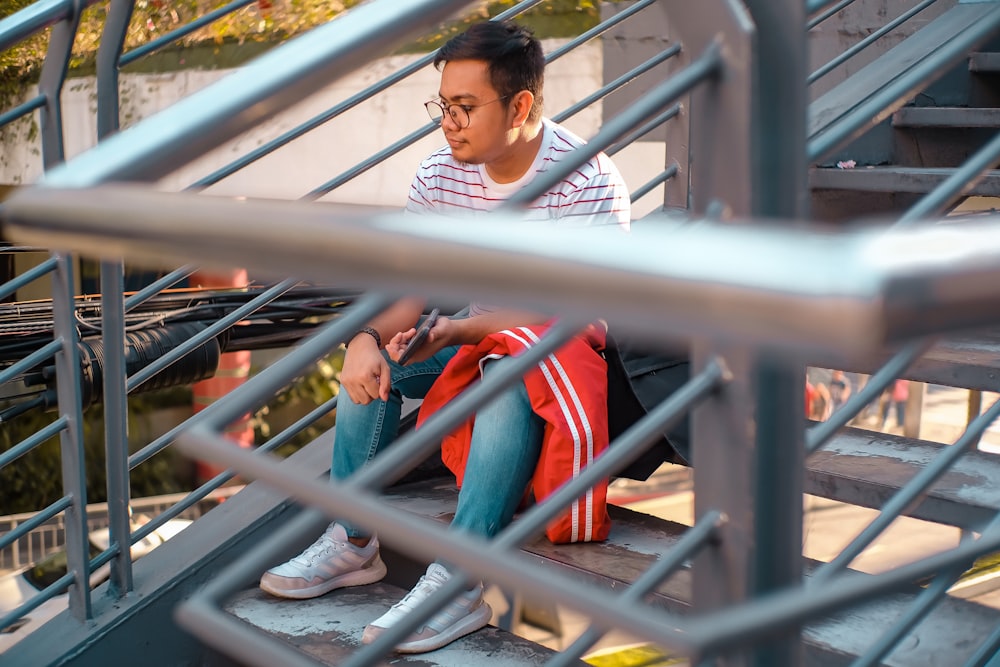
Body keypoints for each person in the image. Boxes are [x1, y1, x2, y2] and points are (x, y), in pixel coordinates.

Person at [259, 20, 630, 654]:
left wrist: (458, 329)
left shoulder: (588, 182)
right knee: (372, 369)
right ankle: (353, 541)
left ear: (520, 105)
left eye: (463, 107)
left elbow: (562, 318)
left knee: (507, 374)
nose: (447, 122)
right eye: (442, 105)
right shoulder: (440, 175)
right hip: (473, 339)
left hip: (555, 363)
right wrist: (368, 337)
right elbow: (409, 284)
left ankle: (458, 580)